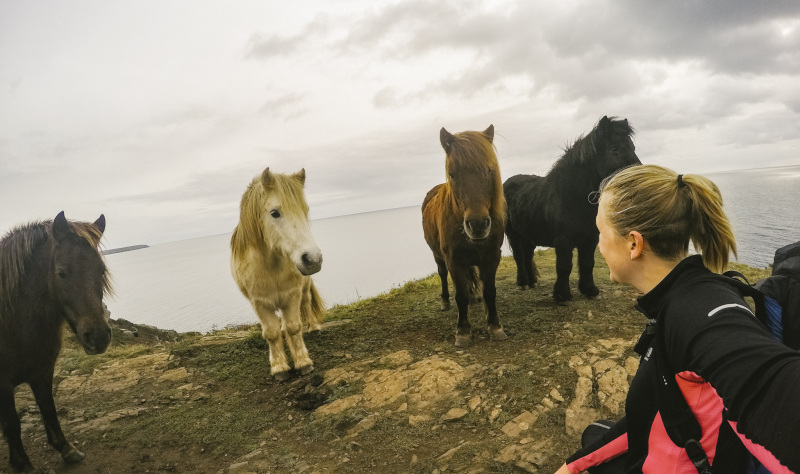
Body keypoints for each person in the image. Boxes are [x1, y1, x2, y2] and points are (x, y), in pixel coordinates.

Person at [555, 164, 800, 474]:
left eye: (601, 232)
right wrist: (572, 466)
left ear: (634, 244)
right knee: (594, 433)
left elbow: (768, 383)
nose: (599, 245)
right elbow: (650, 414)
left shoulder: (700, 309)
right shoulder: (674, 300)